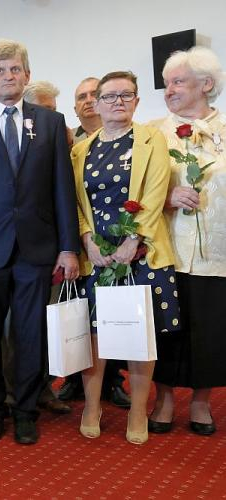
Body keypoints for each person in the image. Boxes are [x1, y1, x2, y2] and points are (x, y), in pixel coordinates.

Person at [0, 40, 80, 445]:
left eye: (16, 69)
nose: (9, 76)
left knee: (30, 333)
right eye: (0, 70)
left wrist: (68, 246)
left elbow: (62, 189)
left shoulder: (51, 123)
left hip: (37, 250)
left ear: (26, 75)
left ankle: (25, 411)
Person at [72, 71, 179, 445]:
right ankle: (90, 405)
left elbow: (155, 191)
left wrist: (133, 239)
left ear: (136, 101)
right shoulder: (81, 149)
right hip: (98, 256)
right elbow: (78, 203)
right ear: (96, 104)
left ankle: (137, 410)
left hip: (142, 253)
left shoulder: (153, 139)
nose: (118, 101)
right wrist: (87, 240)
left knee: (139, 336)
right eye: (110, 96)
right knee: (95, 337)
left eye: (126, 95)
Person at [148, 46, 226, 437]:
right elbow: (138, 192)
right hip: (167, 251)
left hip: (218, 254)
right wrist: (166, 198)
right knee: (166, 330)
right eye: (167, 84)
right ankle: (162, 400)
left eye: (178, 82)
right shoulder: (152, 134)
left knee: (210, 330)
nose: (169, 90)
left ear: (206, 85)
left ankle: (200, 403)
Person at [0, 80, 71, 416]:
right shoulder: (7, 139)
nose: (51, 118)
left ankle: (41, 386)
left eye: (54, 111)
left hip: (52, 248)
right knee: (16, 327)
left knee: (45, 323)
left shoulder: (61, 137)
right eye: (46, 110)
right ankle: (14, 390)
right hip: (12, 248)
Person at [59, 76, 131, 407]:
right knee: (82, 317)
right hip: (85, 245)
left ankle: (114, 380)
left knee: (118, 317)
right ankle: (76, 380)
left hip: (126, 246)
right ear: (75, 108)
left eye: (93, 94)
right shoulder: (69, 145)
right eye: (81, 96)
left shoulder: (131, 137)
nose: (88, 100)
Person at [71, 77, 103, 144]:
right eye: (82, 97)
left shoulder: (127, 132)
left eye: (95, 94)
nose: (89, 100)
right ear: (75, 110)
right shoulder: (66, 139)